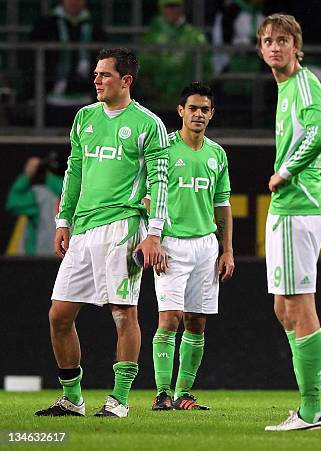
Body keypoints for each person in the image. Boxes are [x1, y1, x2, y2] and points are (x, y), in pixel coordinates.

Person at [35, 48, 169, 418]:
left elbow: (160, 181)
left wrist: (153, 233)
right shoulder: (84, 118)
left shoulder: (148, 124)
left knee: (124, 313)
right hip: (84, 229)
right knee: (58, 315)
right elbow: (74, 171)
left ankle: (120, 400)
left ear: (126, 80)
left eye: (105, 75)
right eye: (96, 74)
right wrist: (64, 222)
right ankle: (73, 398)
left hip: (124, 225)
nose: (96, 80)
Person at [257, 14, 321, 431]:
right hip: (290, 208)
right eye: (267, 41)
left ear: (296, 46)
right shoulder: (286, 87)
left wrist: (285, 171)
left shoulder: (304, 84)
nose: (274, 47)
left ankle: (310, 410)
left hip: (298, 204)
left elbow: (320, 134)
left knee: (299, 305)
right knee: (283, 307)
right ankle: (309, 406)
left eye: (282, 40)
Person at [149, 82, 234, 411]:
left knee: (197, 322)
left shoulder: (217, 154)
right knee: (169, 319)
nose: (198, 114)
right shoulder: (164, 150)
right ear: (181, 111)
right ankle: (161, 393)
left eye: (205, 109)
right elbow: (147, 195)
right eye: (193, 108)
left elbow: (222, 204)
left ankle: (184, 393)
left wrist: (227, 249)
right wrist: (154, 238)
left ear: (211, 114)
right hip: (171, 244)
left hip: (206, 246)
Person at [30, 0, 107, 109]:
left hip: (88, 99)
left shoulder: (96, 27)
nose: (74, 2)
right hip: (52, 100)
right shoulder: (45, 26)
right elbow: (32, 62)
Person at [139, 0, 210, 107]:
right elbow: (142, 69)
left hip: (189, 104)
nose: (172, 10)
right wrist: (153, 93)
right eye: (168, 6)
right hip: (155, 103)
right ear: (161, 8)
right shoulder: (151, 36)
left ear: (182, 8)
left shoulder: (195, 36)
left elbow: (208, 69)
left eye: (176, 6)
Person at [6, 155, 63, 256]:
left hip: (40, 259)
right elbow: (63, 187)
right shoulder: (80, 195)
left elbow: (13, 202)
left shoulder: (40, 196)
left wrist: (27, 175)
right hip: (68, 259)